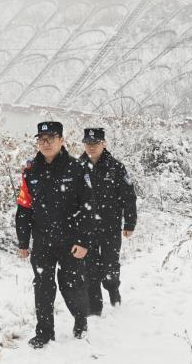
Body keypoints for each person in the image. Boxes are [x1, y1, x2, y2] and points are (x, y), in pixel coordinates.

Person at [15, 121, 95, 348]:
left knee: (71, 285)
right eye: (41, 139)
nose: (46, 143)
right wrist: (23, 240)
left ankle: (80, 318)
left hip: (71, 242)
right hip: (42, 241)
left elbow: (88, 207)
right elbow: (24, 208)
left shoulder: (77, 169)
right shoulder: (30, 172)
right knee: (42, 285)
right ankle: (44, 332)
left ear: (62, 140)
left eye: (51, 138)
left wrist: (84, 241)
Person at [79, 127, 137, 315]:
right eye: (88, 143)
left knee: (110, 264)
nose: (91, 147)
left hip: (110, 226)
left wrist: (129, 223)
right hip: (87, 228)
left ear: (104, 144)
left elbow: (128, 197)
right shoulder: (77, 167)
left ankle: (113, 289)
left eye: (95, 143)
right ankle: (94, 308)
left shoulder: (116, 168)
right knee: (89, 268)